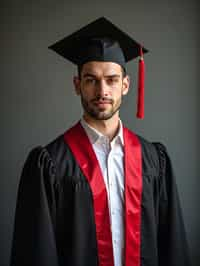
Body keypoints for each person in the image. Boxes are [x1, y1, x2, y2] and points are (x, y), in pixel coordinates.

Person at [10, 17, 190, 266]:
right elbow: (36, 252)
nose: (102, 91)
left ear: (125, 85)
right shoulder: (50, 164)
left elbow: (173, 246)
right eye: (91, 79)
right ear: (77, 85)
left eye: (112, 79)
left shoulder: (153, 160)